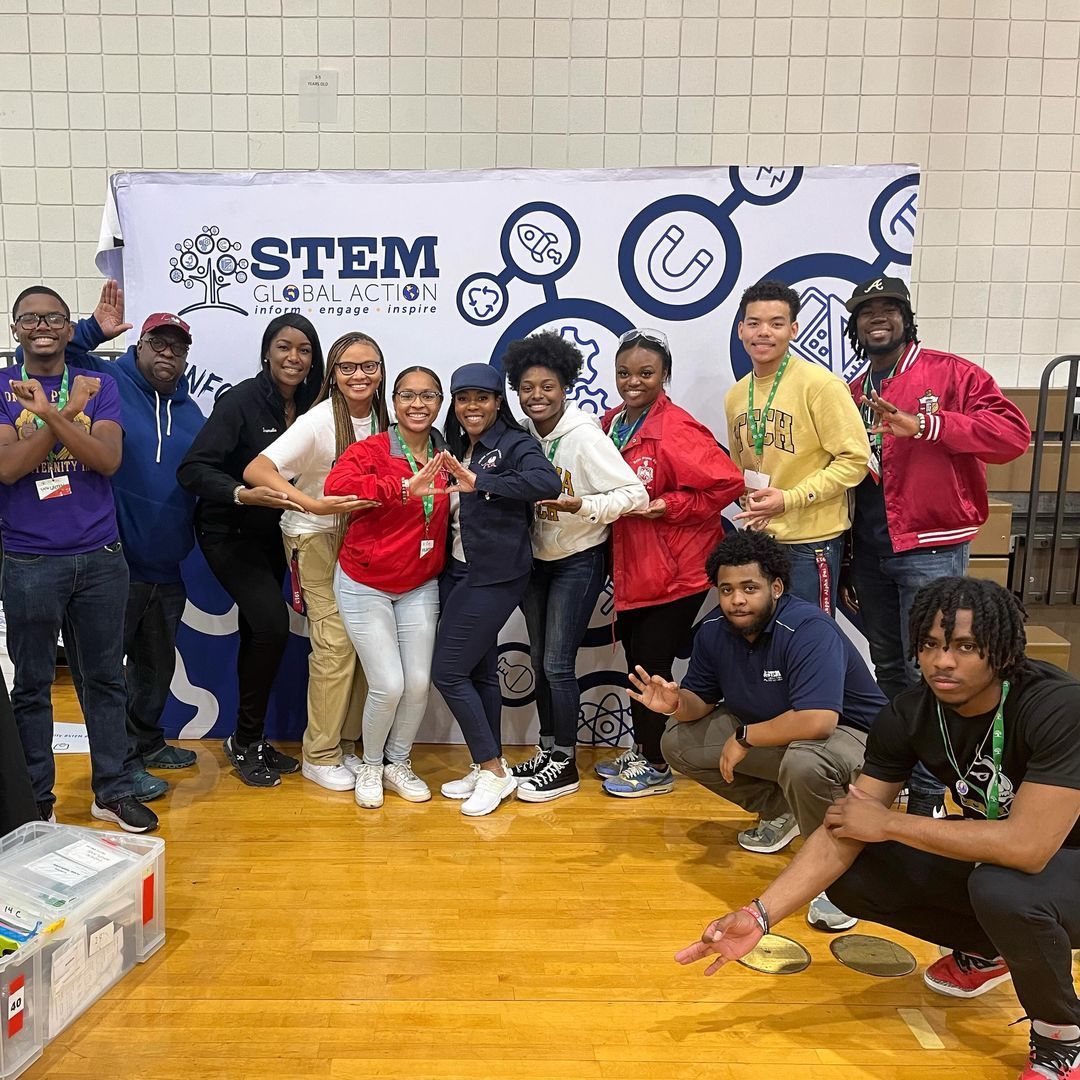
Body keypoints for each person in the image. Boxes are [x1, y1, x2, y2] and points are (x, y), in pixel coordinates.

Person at [677, 577, 1080, 1080]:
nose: (943, 662)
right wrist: (759, 916)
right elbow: (846, 825)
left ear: (1001, 651)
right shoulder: (911, 713)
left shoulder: (1055, 706)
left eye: (965, 647)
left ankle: (1060, 1038)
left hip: (1056, 864)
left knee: (1001, 887)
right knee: (851, 875)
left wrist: (889, 822)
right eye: (931, 645)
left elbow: (1028, 848)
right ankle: (988, 950)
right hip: (1011, 864)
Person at [842, 275, 1031, 816]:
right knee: (892, 670)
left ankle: (929, 797)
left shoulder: (951, 372)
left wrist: (925, 424)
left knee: (937, 669)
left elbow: (1012, 436)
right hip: (872, 551)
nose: (878, 317)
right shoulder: (854, 390)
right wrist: (851, 557)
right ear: (855, 324)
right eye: (866, 310)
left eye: (889, 308)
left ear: (906, 317)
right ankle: (903, 779)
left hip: (932, 545)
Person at [648, 530, 886, 931]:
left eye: (749, 588)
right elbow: (700, 702)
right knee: (677, 740)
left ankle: (841, 876)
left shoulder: (809, 628)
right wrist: (675, 704)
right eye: (726, 589)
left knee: (805, 762)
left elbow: (818, 721)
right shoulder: (713, 631)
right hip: (783, 732)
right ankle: (784, 810)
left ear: (775, 587)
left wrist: (744, 738)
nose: (737, 599)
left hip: (857, 739)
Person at [0, 285, 157, 832]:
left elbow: (106, 458)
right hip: (28, 561)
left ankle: (111, 791)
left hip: (99, 556)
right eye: (30, 318)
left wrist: (51, 414)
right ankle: (36, 799)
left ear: (70, 329)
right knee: (32, 684)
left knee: (106, 679)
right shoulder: (2, 388)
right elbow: (10, 467)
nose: (42, 325)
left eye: (55, 318)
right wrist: (66, 412)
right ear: (16, 329)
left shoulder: (102, 384)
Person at [49, 283, 206, 803]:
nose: (167, 353)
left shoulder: (194, 415)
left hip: (168, 566)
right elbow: (62, 354)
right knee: (104, 675)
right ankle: (114, 769)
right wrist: (94, 330)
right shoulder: (110, 380)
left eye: (176, 347)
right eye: (157, 343)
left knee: (155, 668)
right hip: (114, 562)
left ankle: (146, 742)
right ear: (138, 347)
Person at [177, 314, 325, 788]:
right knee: (271, 625)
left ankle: (252, 737)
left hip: (274, 534)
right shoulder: (240, 400)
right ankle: (244, 740)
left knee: (258, 630)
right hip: (228, 530)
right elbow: (193, 469)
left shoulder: (311, 403)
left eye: (304, 350)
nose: (294, 358)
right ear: (267, 352)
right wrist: (242, 493)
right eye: (284, 347)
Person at [596, 328, 744, 798]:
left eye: (645, 373)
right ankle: (644, 748)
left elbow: (726, 484)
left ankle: (657, 764)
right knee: (639, 664)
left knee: (652, 665)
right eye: (624, 373)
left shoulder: (676, 428)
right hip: (634, 568)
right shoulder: (611, 423)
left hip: (675, 572)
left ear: (664, 376)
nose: (633, 381)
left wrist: (668, 506)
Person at [503, 330, 648, 802]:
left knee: (557, 664)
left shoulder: (584, 437)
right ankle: (548, 750)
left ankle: (564, 762)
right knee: (543, 662)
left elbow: (634, 494)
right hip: (536, 562)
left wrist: (582, 505)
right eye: (527, 388)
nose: (537, 396)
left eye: (547, 386)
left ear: (565, 386)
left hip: (577, 561)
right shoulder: (523, 437)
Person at [243, 333, 388, 792]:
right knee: (336, 645)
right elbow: (257, 470)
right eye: (347, 367)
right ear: (333, 374)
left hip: (366, 542)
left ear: (382, 371)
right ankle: (318, 753)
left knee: (368, 646)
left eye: (369, 366)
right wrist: (312, 503)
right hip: (316, 539)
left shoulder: (388, 417)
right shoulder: (320, 419)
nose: (359, 375)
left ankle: (345, 743)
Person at [433, 363, 562, 818]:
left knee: (447, 672)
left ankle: (495, 770)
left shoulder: (514, 442)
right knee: (480, 672)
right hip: (458, 571)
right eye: (463, 397)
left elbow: (546, 482)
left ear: (497, 402)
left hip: (496, 575)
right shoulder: (456, 447)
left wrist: (481, 482)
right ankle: (485, 762)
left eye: (482, 398)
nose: (472, 406)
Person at [323, 367, 450, 808]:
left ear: (439, 402)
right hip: (365, 582)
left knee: (417, 683)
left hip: (419, 583)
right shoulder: (372, 448)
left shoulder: (445, 452)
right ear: (393, 402)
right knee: (389, 683)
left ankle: (398, 761)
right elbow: (335, 487)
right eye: (408, 395)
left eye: (429, 395)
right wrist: (399, 486)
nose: (418, 404)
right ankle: (371, 763)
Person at [726, 280, 868, 614]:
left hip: (810, 543)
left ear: (793, 329)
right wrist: (748, 499)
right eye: (755, 323)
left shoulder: (820, 385)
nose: (764, 332)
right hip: (759, 541)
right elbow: (741, 467)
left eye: (776, 324)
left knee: (809, 645)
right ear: (740, 330)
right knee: (765, 646)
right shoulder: (735, 395)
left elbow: (855, 460)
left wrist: (789, 499)